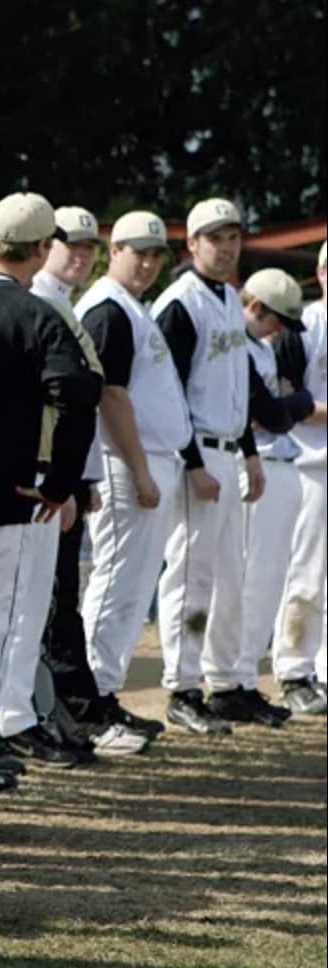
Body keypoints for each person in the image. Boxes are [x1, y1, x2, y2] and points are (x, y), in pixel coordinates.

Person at [0, 192, 100, 790]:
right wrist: (62, 483)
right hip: (10, 486)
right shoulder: (36, 313)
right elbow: (78, 395)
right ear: (40, 251)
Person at [153, 199, 270, 734]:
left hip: (227, 449)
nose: (226, 246)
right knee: (191, 574)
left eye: (233, 236)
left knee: (228, 575)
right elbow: (168, 390)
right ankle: (181, 687)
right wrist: (194, 462)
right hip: (195, 452)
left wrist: (249, 453)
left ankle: (225, 683)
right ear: (192, 243)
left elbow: (236, 389)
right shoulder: (181, 302)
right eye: (214, 236)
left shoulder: (227, 298)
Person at [74, 212, 191, 742]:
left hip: (144, 460)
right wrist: (140, 470)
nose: (146, 262)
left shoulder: (132, 308)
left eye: (155, 254)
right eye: (136, 251)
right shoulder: (108, 308)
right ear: (113, 249)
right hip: (126, 462)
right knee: (117, 585)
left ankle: (104, 694)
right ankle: (90, 702)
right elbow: (109, 395)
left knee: (131, 584)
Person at [235, 269, 314, 716]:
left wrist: (287, 407)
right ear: (256, 307)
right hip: (255, 461)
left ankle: (244, 675)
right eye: (276, 319)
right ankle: (233, 675)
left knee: (267, 580)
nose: (280, 332)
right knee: (248, 578)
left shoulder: (262, 349)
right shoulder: (240, 347)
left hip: (277, 461)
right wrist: (296, 404)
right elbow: (270, 413)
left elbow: (278, 413)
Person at [273, 241, 328, 713]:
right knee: (306, 573)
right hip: (312, 463)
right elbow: (291, 404)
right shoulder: (305, 326)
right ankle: (293, 669)